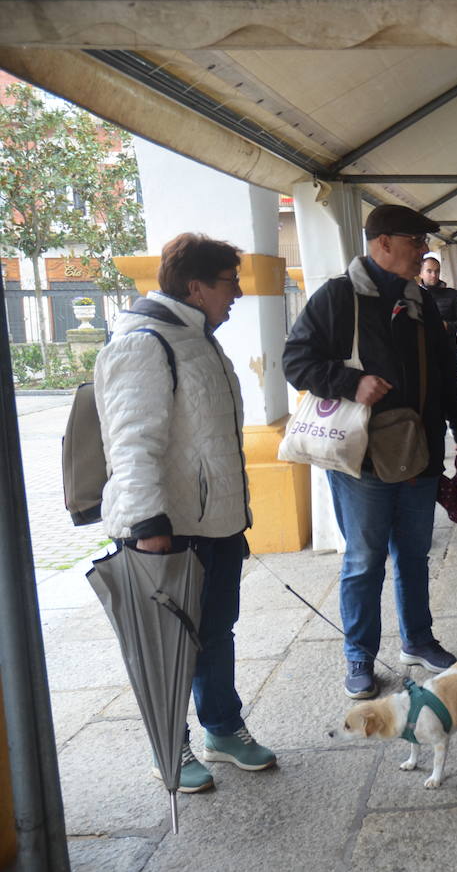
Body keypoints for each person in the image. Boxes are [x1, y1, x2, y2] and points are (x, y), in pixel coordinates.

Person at [95, 232, 275, 793]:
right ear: (196, 287)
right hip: (166, 532)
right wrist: (148, 527)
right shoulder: (144, 344)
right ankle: (168, 743)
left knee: (216, 632)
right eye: (230, 282)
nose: (238, 294)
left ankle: (222, 728)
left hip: (216, 526)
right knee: (167, 645)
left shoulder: (199, 338)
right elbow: (131, 445)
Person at [282, 204, 457, 699]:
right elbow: (296, 360)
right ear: (384, 242)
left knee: (414, 552)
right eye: (417, 241)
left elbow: (446, 369)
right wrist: (351, 382)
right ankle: (359, 656)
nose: (425, 252)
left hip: (421, 448)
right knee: (365, 559)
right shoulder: (337, 296)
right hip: (362, 456)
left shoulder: (419, 300)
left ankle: (417, 638)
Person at [418, 251, 457, 338]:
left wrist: (447, 326)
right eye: (429, 271)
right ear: (421, 273)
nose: (434, 275)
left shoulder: (452, 294)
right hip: (424, 347)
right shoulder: (414, 295)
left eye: (437, 271)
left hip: (448, 346)